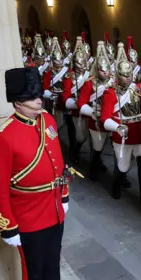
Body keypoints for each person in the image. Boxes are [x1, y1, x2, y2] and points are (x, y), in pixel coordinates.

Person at [0, 67, 87, 280]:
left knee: (53, 266)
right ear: (17, 102)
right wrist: (8, 226)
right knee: (36, 274)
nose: (38, 100)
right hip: (27, 218)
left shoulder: (48, 122)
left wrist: (63, 196)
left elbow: (59, 163)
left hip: (52, 208)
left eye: (37, 94)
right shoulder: (2, 137)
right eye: (31, 97)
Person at [100, 43, 141, 203]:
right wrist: (117, 127)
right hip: (123, 134)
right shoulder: (110, 92)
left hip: (140, 133)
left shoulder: (138, 88)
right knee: (123, 166)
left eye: (129, 74)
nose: (128, 78)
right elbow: (105, 118)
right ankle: (115, 184)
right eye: (124, 75)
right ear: (118, 75)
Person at [77, 41, 114, 179]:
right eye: (102, 70)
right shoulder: (89, 83)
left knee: (117, 150)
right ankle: (94, 169)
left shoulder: (114, 82)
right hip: (96, 118)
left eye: (107, 70)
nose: (105, 73)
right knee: (97, 148)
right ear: (97, 69)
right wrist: (92, 113)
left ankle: (121, 176)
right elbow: (81, 103)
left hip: (112, 117)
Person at [63, 35, 92, 164]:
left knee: (93, 137)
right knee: (80, 137)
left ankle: (96, 161)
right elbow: (66, 97)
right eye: (79, 62)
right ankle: (75, 152)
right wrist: (77, 104)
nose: (82, 64)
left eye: (84, 61)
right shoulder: (70, 77)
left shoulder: (90, 75)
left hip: (90, 109)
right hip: (77, 111)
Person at [41, 37, 70, 117]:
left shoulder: (66, 71)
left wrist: (65, 97)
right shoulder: (48, 72)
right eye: (56, 60)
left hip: (62, 97)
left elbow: (67, 87)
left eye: (60, 59)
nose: (59, 61)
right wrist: (50, 95)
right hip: (51, 96)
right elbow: (45, 87)